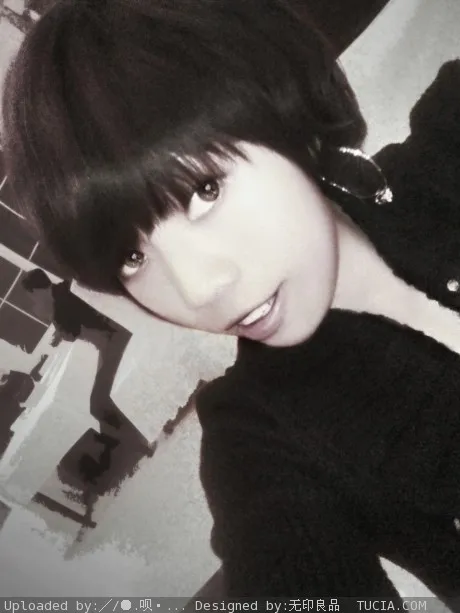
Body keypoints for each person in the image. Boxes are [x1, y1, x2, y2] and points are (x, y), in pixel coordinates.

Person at [2, 0, 460, 604]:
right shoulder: (258, 442)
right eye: (132, 257)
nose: (197, 289)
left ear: (280, 113)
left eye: (204, 190)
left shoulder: (447, 150)